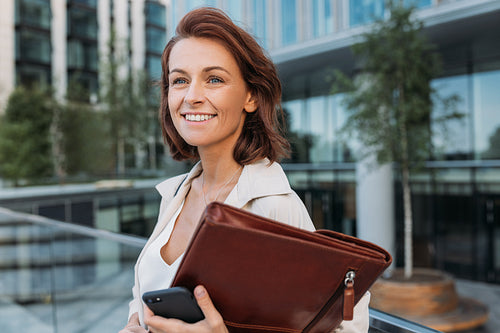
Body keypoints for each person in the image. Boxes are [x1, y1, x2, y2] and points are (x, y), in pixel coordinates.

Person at [120, 7, 370, 333]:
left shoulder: (273, 205)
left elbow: (342, 328)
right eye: (179, 80)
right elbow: (146, 293)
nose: (192, 96)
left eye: (214, 79)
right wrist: (132, 323)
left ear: (250, 96)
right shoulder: (176, 194)